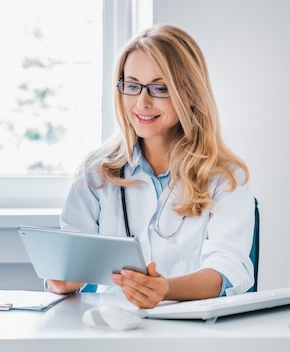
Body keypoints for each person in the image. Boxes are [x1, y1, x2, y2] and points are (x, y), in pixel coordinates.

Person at [45, 24, 255, 309]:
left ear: (190, 93)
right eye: (132, 86)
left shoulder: (225, 177)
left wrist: (164, 289)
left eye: (160, 88)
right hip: (112, 327)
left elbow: (228, 271)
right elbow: (70, 260)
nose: (142, 102)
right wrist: (62, 280)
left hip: (194, 330)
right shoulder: (96, 173)